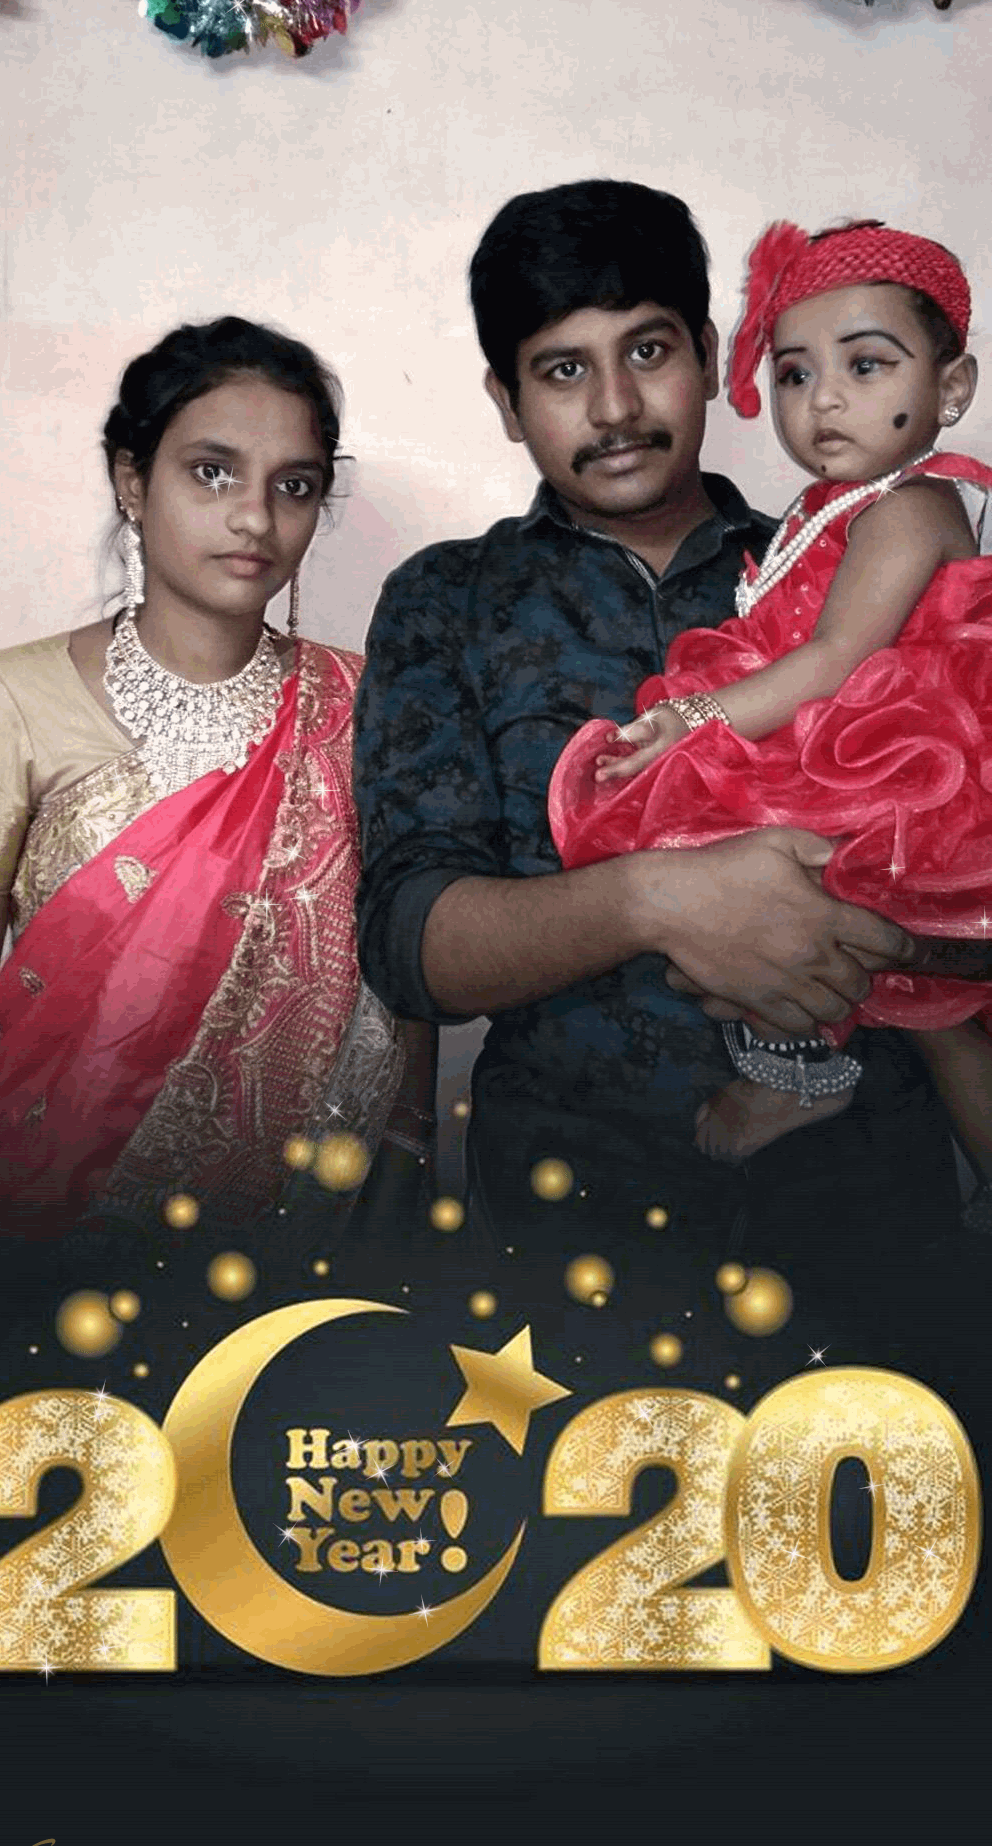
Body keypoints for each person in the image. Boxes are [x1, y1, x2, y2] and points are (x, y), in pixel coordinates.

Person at [354, 182, 987, 1285]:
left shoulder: (859, 562)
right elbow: (413, 947)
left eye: (646, 351)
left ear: (705, 355)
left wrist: (879, 934)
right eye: (562, 370)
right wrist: (659, 899)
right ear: (506, 401)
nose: (613, 407)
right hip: (575, 1225)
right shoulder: (448, 598)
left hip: (876, 1214)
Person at [0, 317, 434, 1264]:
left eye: (294, 486)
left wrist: (410, 1151)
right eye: (212, 472)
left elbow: (404, 960)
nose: (256, 519)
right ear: (132, 479)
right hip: (58, 1241)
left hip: (316, 1244)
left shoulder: (363, 704)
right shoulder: (12, 700)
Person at [549, 220, 992, 1221]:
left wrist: (695, 716)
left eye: (865, 366)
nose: (822, 398)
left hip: (898, 765)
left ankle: (796, 1074)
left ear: (950, 388)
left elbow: (834, 656)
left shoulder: (910, 506)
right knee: (934, 1016)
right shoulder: (833, 506)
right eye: (794, 373)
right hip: (852, 747)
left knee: (715, 824)